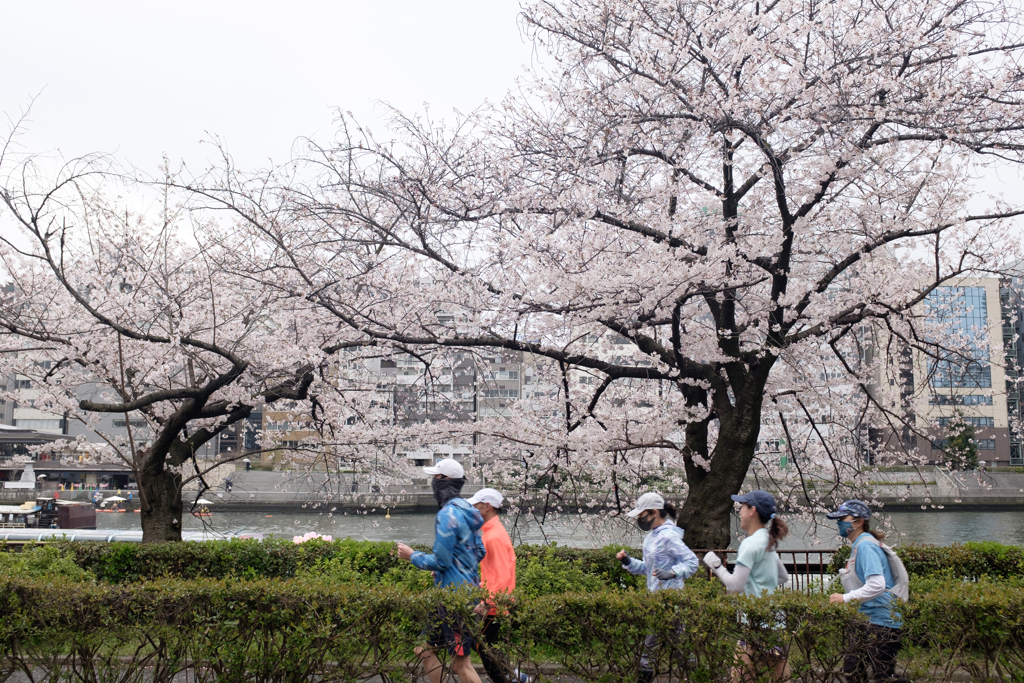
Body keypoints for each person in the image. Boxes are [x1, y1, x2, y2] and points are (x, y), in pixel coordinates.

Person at [397, 459, 485, 683]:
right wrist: (452, 568)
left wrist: (412, 555)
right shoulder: (470, 511)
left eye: (436, 478)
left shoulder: (447, 515)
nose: (432, 482)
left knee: (461, 664)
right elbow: (480, 552)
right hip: (458, 594)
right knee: (424, 650)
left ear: (445, 481)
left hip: (454, 600)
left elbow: (441, 560)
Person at [703, 490, 791, 683]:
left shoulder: (749, 544)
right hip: (775, 621)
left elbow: (734, 586)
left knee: (739, 678)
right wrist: (759, 584)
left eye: (742, 506)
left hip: (755, 621)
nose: (739, 511)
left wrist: (715, 564)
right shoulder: (768, 541)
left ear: (752, 511)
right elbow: (783, 576)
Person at [615, 492, 699, 683]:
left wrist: (673, 572)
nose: (639, 519)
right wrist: (628, 561)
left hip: (672, 602)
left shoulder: (668, 536)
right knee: (672, 649)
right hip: (656, 601)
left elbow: (692, 562)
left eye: (641, 515)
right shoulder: (652, 537)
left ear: (653, 512)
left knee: (671, 649)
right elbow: (648, 568)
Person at [827, 500, 906, 683]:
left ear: (859, 521)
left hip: (881, 622)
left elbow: (877, 584)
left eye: (842, 518)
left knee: (882, 677)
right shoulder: (860, 545)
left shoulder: (866, 546)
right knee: (852, 671)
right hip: (868, 620)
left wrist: (845, 598)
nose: (839, 522)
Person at [467, 487, 533, 683]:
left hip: (494, 604)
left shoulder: (493, 535)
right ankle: (516, 677)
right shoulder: (491, 532)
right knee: (484, 644)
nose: (473, 511)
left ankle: (511, 678)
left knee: (482, 646)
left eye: (475, 506)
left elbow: (503, 574)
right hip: (494, 601)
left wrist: (488, 603)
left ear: (487, 507)